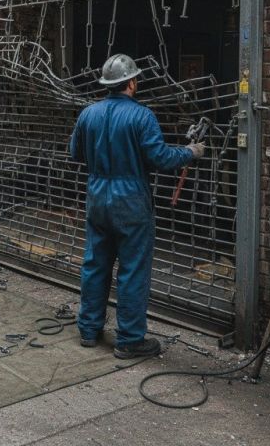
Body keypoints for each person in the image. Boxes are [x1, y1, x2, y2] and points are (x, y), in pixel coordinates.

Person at [69, 53, 206, 359]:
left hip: (98, 197)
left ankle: (89, 330)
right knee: (132, 270)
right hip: (130, 200)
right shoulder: (142, 116)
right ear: (131, 83)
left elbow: (75, 153)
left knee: (95, 265)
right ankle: (130, 339)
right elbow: (159, 159)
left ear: (108, 83)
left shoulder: (88, 114)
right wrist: (189, 152)